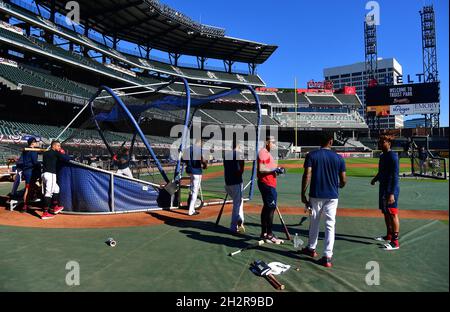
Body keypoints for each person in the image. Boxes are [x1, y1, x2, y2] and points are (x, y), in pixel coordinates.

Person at [300, 132, 347, 268]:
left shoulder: (312, 155)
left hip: (315, 194)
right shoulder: (338, 158)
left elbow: (307, 175)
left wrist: (303, 193)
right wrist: (339, 186)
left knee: (314, 222)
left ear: (320, 141)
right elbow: (343, 180)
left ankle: (311, 248)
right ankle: (327, 256)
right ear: (331, 141)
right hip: (332, 195)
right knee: (330, 225)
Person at [371, 134, 400, 251]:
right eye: (379, 142)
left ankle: (395, 242)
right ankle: (388, 235)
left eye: (382, 142)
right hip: (383, 188)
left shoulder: (393, 156)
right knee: (385, 212)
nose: (380, 144)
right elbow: (381, 172)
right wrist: (375, 179)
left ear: (389, 143)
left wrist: (392, 193)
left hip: (391, 189)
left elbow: (395, 176)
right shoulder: (382, 156)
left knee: (392, 213)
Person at [257, 136, 286, 244]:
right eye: (273, 142)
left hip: (268, 183)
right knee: (270, 209)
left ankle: (264, 233)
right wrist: (275, 169)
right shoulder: (263, 152)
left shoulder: (267, 153)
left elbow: (268, 169)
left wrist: (276, 171)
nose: (275, 144)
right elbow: (262, 169)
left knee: (267, 208)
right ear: (267, 142)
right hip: (267, 184)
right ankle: (269, 234)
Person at [41, 140, 70, 220]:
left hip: (44, 174)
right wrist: (62, 152)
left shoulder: (46, 153)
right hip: (51, 174)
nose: (59, 148)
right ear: (53, 146)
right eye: (58, 146)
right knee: (48, 193)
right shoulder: (55, 153)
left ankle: (55, 207)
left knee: (56, 189)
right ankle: (45, 213)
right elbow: (67, 159)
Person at [223, 139, 245, 233]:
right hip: (236, 182)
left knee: (239, 202)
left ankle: (240, 219)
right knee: (237, 203)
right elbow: (241, 169)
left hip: (227, 182)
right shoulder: (239, 154)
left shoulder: (226, 155)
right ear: (239, 146)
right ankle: (234, 225)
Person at [186, 139, 207, 216]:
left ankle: (190, 206)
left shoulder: (188, 148)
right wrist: (205, 164)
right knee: (195, 191)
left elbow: (183, 159)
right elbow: (202, 159)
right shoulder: (199, 149)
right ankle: (191, 210)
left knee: (192, 189)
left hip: (189, 170)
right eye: (202, 144)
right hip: (196, 171)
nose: (202, 145)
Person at [21, 137, 40, 212]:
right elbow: (34, 162)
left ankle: (28, 202)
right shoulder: (33, 150)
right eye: (35, 142)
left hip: (26, 170)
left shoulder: (26, 150)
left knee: (29, 187)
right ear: (33, 143)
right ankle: (25, 206)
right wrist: (40, 165)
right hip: (30, 171)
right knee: (28, 188)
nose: (36, 143)